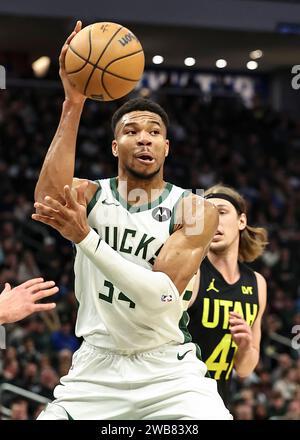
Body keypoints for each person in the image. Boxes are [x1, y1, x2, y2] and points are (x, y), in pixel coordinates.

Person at [31, 21, 232, 420]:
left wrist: (86, 238)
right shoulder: (90, 194)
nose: (144, 138)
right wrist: (74, 102)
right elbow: (48, 200)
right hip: (96, 368)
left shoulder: (195, 210)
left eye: (154, 132)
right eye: (131, 131)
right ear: (114, 145)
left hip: (168, 372)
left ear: (166, 147)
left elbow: (158, 297)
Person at [188, 184, 268, 406]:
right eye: (208, 215)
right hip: (179, 395)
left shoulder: (257, 283)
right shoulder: (191, 272)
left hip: (218, 399)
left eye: (221, 212)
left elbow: (245, 369)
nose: (214, 221)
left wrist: (244, 346)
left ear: (241, 221)